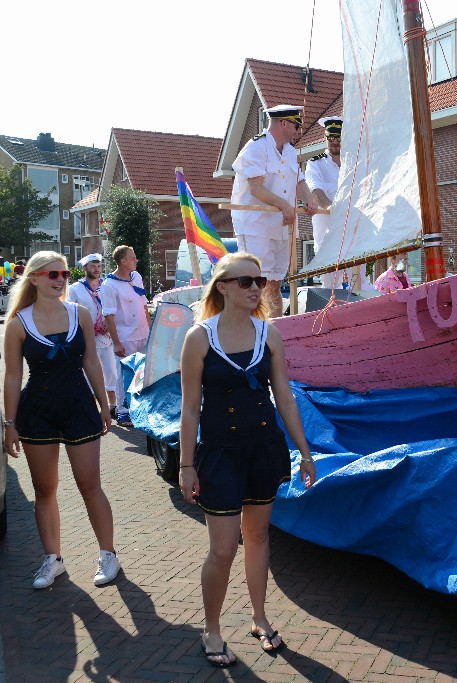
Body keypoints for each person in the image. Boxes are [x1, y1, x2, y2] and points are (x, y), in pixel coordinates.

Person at [178, 252, 317, 667]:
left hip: (262, 450)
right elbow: (190, 408)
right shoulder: (199, 338)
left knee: (258, 537)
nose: (255, 287)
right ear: (222, 287)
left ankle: (259, 617)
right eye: (245, 281)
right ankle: (212, 630)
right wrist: (186, 465)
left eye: (258, 280)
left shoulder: (268, 333)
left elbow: (285, 398)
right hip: (219, 455)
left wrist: (305, 454)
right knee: (222, 549)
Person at [3, 252, 118, 590]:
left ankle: (108, 554)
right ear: (34, 278)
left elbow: (92, 362)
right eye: (52, 274)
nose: (60, 280)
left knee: (90, 484)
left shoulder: (80, 313)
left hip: (79, 406)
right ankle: (52, 559)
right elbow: (12, 377)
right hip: (37, 411)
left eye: (65, 274)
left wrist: (104, 404)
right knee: (45, 489)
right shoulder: (17, 323)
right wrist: (10, 423)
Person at [230, 105, 320, 317]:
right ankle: (253, 331)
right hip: (256, 226)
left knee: (275, 284)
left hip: (280, 226)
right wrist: (285, 205)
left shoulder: (289, 151)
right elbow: (256, 188)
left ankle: (276, 332)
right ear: (283, 123)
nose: (298, 131)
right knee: (256, 284)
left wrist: (309, 199)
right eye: (296, 126)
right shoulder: (256, 147)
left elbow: (299, 181)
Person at [307, 117, 359, 290]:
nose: (335, 142)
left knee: (358, 280)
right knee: (330, 284)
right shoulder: (315, 164)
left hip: (352, 229)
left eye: (338, 138)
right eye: (331, 138)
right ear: (325, 137)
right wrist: (332, 209)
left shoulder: (354, 163)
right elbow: (315, 192)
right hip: (327, 232)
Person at [103, 245, 150, 427]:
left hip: (143, 334)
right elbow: (108, 316)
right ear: (123, 261)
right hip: (125, 338)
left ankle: (140, 408)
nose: (136, 260)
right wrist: (116, 343)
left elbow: (144, 304)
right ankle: (123, 412)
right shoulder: (109, 285)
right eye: (133, 258)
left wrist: (150, 328)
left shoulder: (136, 277)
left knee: (143, 374)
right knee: (124, 376)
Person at [68, 253, 118, 419]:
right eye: (92, 266)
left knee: (111, 372)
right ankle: (93, 407)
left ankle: (113, 406)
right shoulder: (75, 289)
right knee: (90, 374)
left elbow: (115, 309)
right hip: (88, 339)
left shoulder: (107, 286)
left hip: (108, 337)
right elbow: (71, 314)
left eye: (99, 266)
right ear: (85, 268)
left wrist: (111, 327)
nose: (96, 269)